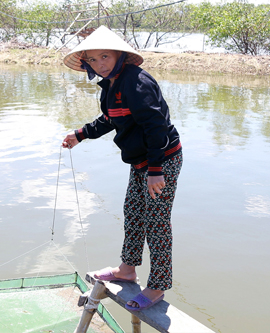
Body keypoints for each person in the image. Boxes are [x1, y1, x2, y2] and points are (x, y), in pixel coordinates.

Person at [61, 25, 182, 312]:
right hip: (142, 162)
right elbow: (110, 119)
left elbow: (156, 128)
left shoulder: (136, 83)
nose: (100, 64)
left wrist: (155, 171)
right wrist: (80, 134)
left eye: (105, 56)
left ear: (119, 55)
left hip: (161, 159)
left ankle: (158, 286)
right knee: (133, 212)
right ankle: (127, 269)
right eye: (93, 59)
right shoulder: (111, 85)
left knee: (157, 221)